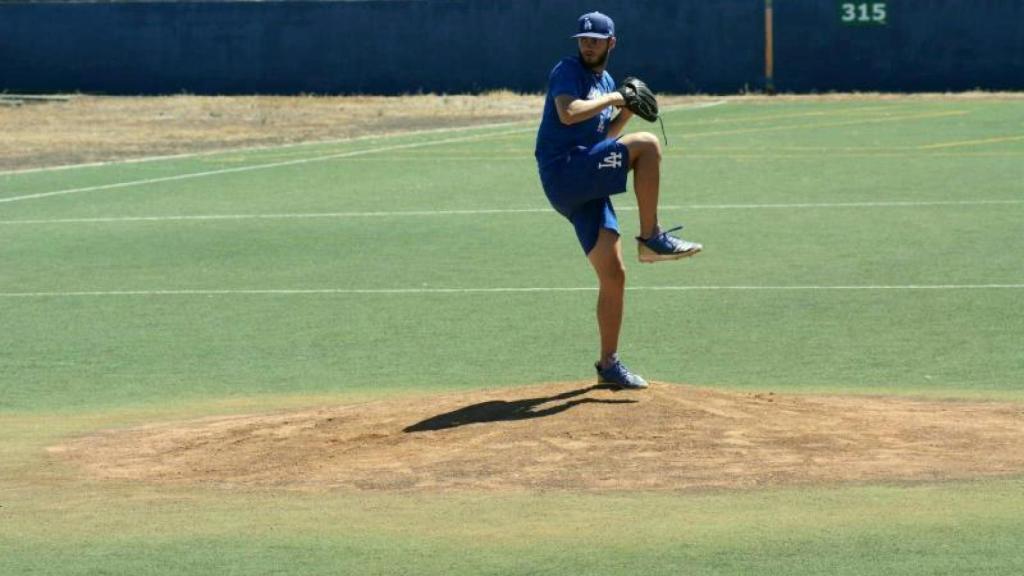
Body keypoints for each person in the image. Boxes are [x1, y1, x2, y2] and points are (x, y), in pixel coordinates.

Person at [534, 11, 702, 390]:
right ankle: (651, 237)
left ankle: (608, 365)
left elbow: (602, 138)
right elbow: (568, 111)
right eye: (583, 38)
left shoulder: (606, 79)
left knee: (614, 275)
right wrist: (613, 97)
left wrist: (623, 112)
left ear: (611, 43)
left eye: (595, 39)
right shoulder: (568, 70)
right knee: (648, 145)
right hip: (565, 171)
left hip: (585, 180)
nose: (588, 44)